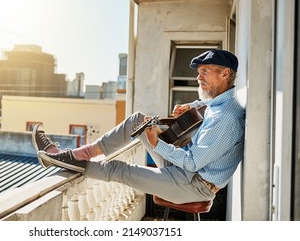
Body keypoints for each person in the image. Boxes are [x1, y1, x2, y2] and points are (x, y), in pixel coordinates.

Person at [32, 49, 245, 204]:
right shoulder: (223, 101)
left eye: (205, 71)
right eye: (199, 71)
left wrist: (156, 143)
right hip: (184, 168)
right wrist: (192, 104)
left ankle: (65, 160)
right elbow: (208, 104)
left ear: (225, 74)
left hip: (194, 184)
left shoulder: (226, 117)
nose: (198, 77)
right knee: (138, 120)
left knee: (118, 169)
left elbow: (191, 163)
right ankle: (79, 153)